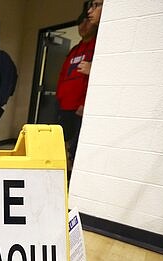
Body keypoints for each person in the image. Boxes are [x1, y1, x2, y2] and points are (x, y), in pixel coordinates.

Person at [55, 13, 98, 170]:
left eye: (86, 22)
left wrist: (83, 103)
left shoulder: (97, 47)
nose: (83, 26)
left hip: (80, 108)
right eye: (80, 23)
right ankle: (63, 172)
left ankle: (73, 175)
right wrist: (59, 96)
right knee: (62, 142)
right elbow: (62, 74)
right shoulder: (74, 50)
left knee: (76, 145)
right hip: (64, 104)